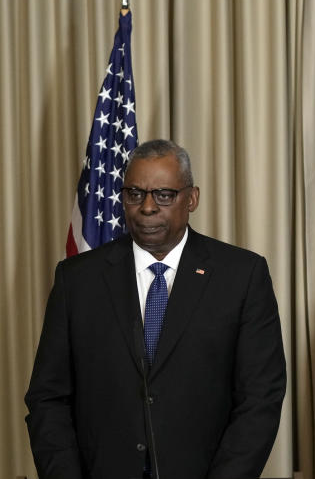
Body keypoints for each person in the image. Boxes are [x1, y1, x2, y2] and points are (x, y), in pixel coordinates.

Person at [25, 140, 286, 479]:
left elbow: (260, 398)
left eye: (164, 195)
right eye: (135, 194)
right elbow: (48, 398)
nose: (147, 207)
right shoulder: (77, 280)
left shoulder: (242, 276)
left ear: (191, 198)